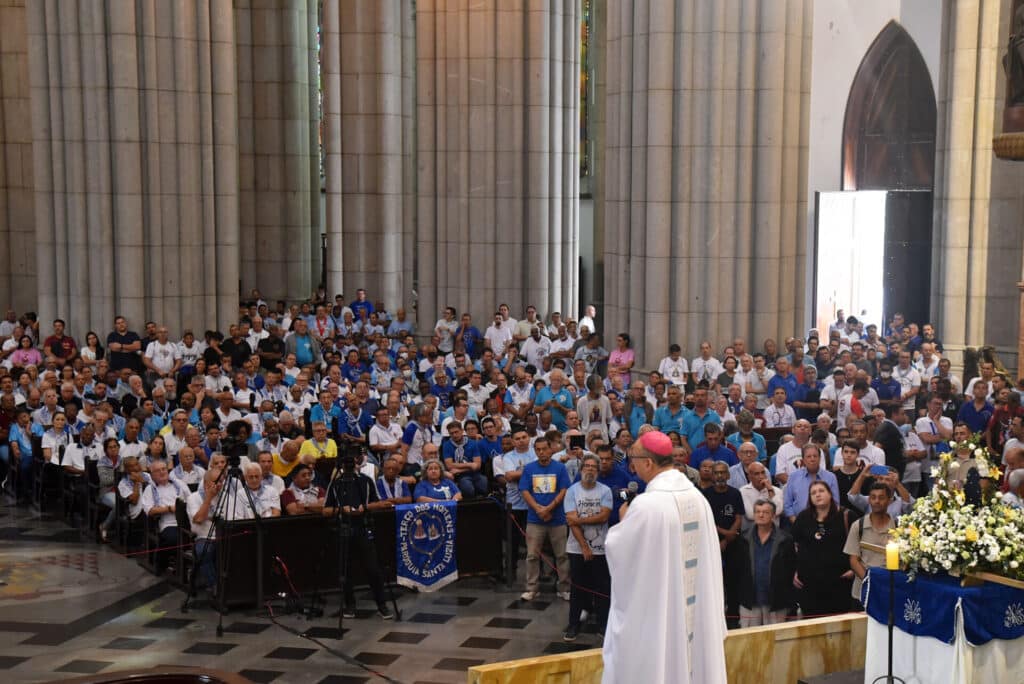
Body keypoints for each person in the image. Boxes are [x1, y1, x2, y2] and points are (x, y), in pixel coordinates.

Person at [602, 430, 726, 684]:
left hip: (661, 617)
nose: (630, 465)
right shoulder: (697, 498)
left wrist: (624, 522)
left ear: (648, 462)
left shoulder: (647, 505)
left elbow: (618, 551)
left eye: (632, 458)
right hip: (690, 611)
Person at [322, 457, 394, 620]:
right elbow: (325, 510)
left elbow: (379, 503)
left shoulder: (366, 481)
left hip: (363, 528)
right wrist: (342, 509)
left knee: (373, 569)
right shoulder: (336, 483)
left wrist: (365, 507)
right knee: (345, 571)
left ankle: (382, 604)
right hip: (343, 529)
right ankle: (350, 605)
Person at [563, 454, 612, 641]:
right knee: (577, 587)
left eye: (594, 467)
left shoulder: (605, 491)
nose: (590, 469)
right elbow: (571, 521)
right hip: (577, 548)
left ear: (598, 471)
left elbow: (603, 517)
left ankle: (603, 624)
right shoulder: (572, 491)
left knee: (602, 588)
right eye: (587, 466)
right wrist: (584, 547)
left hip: (600, 549)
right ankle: (573, 625)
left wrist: (580, 519)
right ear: (581, 469)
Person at [518, 436, 571, 601]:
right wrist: (538, 509)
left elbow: (564, 490)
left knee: (562, 555)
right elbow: (525, 491)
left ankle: (564, 587)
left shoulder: (560, 468)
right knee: (532, 555)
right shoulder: (529, 468)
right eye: (538, 449)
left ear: (551, 449)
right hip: (535, 519)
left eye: (544, 449)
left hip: (557, 518)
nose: (541, 452)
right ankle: (532, 588)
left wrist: (549, 508)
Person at [790, 480, 854, 617]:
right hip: (809, 586)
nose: (817, 495)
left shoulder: (847, 516)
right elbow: (794, 544)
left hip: (839, 584)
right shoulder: (803, 517)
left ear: (830, 494)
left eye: (821, 491)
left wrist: (853, 569)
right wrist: (795, 570)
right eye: (813, 493)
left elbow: (859, 546)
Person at [736, 500, 796, 627]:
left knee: (776, 642)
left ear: (773, 515)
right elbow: (737, 571)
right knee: (750, 642)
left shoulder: (786, 539)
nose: (761, 515)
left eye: (765, 512)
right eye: (757, 512)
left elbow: (790, 570)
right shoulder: (743, 539)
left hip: (776, 602)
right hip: (750, 601)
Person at [703, 461, 745, 629]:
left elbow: (738, 517)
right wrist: (722, 535)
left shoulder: (735, 494)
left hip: (733, 544)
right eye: (716, 473)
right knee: (714, 582)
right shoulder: (705, 494)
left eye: (723, 473)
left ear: (728, 475)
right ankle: (715, 618)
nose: (720, 476)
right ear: (712, 475)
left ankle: (733, 618)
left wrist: (728, 538)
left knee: (732, 580)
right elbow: (706, 520)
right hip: (711, 542)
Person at [844, 481, 897, 605]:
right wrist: (870, 582)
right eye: (873, 497)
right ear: (869, 500)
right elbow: (853, 560)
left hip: (888, 591)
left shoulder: (897, 527)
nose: (877, 501)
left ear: (889, 501)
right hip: (862, 593)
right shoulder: (858, 526)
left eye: (881, 497)